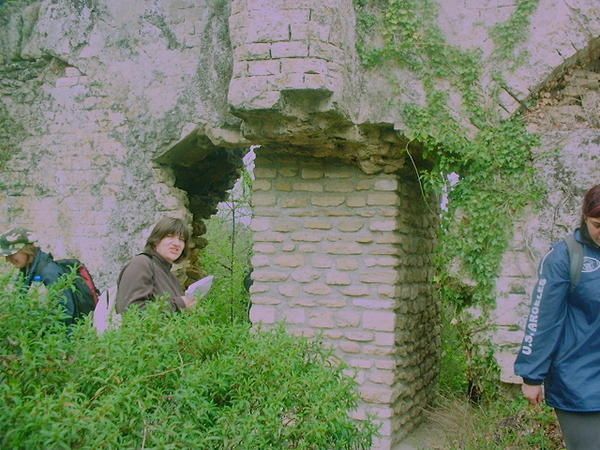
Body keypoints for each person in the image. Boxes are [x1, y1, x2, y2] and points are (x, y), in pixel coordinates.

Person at [515, 184, 600, 450]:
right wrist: (532, 376)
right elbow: (543, 320)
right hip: (581, 386)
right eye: (598, 225)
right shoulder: (565, 257)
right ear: (584, 217)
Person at [0, 227, 93, 325]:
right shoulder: (28, 270)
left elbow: (65, 313)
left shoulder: (49, 272)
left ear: (25, 250)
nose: (8, 259)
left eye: (11, 255)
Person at [115, 216, 197, 314]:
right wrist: (180, 304)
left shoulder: (171, 277)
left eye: (182, 239)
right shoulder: (141, 264)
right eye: (170, 236)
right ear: (156, 240)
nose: (177, 243)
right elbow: (131, 311)